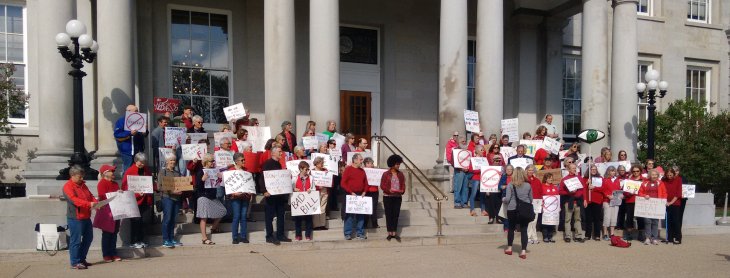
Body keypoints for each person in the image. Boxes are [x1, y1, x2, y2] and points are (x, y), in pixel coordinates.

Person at [63, 165, 97, 269]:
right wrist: (89, 204)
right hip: (75, 218)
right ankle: (75, 262)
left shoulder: (83, 185)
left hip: (86, 216)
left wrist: (95, 202)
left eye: (82, 176)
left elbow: (90, 196)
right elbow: (74, 200)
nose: (82, 179)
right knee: (76, 240)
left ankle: (82, 259)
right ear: (72, 175)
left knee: (88, 238)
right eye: (80, 177)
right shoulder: (67, 186)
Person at [121, 153, 154, 249]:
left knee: (144, 221)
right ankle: (134, 241)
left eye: (143, 162)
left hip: (145, 199)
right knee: (135, 221)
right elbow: (125, 187)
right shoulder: (130, 171)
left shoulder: (147, 170)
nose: (142, 164)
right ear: (136, 161)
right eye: (140, 162)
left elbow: (149, 184)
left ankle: (141, 240)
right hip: (135, 200)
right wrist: (137, 194)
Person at [194, 154, 226, 245]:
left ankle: (213, 228)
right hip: (203, 196)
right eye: (211, 161)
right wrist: (202, 180)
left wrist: (219, 178)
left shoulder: (214, 171)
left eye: (213, 161)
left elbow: (217, 184)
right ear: (206, 162)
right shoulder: (201, 171)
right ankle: (204, 238)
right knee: (203, 217)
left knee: (222, 210)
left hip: (212, 196)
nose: (213, 163)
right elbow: (197, 186)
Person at [262, 147, 291, 244]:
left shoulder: (278, 164)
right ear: (273, 153)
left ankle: (280, 235)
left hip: (279, 195)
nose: (281, 154)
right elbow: (262, 178)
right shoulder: (267, 163)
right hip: (270, 195)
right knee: (269, 216)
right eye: (279, 152)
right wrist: (264, 191)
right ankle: (269, 236)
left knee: (281, 215)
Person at [503, 167, 532, 260]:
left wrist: (502, 199)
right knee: (524, 230)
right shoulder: (528, 185)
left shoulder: (510, 185)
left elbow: (507, 199)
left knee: (511, 228)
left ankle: (509, 248)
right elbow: (531, 199)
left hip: (512, 209)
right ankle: (523, 251)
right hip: (524, 209)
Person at [96, 164, 122, 262]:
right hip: (107, 211)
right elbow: (102, 197)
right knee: (107, 233)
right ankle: (106, 254)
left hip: (116, 210)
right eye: (111, 171)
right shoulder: (102, 183)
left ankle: (113, 253)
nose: (113, 173)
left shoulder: (115, 184)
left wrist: (120, 193)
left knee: (114, 233)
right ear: (105, 173)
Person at [159, 154, 184, 248]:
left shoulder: (177, 172)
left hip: (176, 198)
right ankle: (166, 239)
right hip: (167, 197)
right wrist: (171, 191)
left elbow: (182, 184)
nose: (173, 162)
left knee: (173, 219)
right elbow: (159, 186)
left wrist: (183, 188)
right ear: (167, 162)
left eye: (174, 160)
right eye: (171, 160)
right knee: (168, 218)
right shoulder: (163, 172)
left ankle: (172, 238)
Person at [342, 153, 369, 240]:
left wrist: (364, 191)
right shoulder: (348, 170)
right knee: (349, 215)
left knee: (361, 215)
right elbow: (343, 183)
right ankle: (347, 233)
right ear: (355, 160)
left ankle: (360, 232)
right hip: (350, 195)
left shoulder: (362, 171)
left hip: (360, 195)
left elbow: (366, 183)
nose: (362, 161)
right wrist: (350, 192)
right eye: (360, 160)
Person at [114, 104, 148, 173]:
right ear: (128, 112)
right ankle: (126, 183)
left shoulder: (139, 119)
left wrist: (145, 131)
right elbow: (117, 134)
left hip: (138, 150)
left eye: (137, 111)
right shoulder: (121, 121)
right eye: (135, 111)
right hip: (127, 150)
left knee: (139, 169)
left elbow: (144, 134)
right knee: (128, 169)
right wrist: (129, 133)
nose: (137, 112)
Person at [228, 153, 252, 244]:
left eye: (244, 159)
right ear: (236, 161)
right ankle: (234, 237)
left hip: (245, 196)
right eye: (242, 160)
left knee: (243, 217)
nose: (244, 161)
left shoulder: (246, 170)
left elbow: (250, 183)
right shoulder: (231, 171)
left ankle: (243, 236)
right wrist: (234, 193)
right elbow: (228, 185)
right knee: (236, 216)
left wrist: (250, 192)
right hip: (235, 197)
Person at [638, 169, 667, 245]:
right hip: (647, 205)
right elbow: (640, 192)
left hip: (657, 205)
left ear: (657, 176)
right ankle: (647, 238)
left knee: (655, 222)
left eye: (655, 175)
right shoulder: (644, 183)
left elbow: (664, 193)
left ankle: (654, 238)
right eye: (652, 174)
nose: (654, 176)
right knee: (647, 221)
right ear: (649, 175)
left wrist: (663, 201)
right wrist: (644, 195)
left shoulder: (660, 183)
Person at [381, 154, 405, 241]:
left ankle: (394, 233)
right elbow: (382, 185)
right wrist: (388, 190)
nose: (398, 166)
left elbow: (403, 184)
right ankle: (389, 233)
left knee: (396, 214)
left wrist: (402, 190)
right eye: (397, 164)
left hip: (397, 197)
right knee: (389, 214)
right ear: (392, 164)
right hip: (388, 197)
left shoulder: (401, 174)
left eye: (399, 164)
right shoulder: (385, 174)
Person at [559, 163, 585, 243]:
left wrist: (577, 195)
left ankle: (578, 236)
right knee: (568, 220)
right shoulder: (564, 179)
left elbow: (582, 190)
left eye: (575, 168)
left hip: (577, 201)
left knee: (578, 219)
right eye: (573, 168)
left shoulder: (579, 178)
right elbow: (560, 191)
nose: (574, 169)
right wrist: (569, 192)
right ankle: (568, 236)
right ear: (569, 169)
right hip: (568, 201)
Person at [293, 161, 315, 241]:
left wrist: (311, 190)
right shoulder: (295, 178)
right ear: (301, 169)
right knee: (298, 219)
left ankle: (308, 235)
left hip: (308, 201)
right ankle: (298, 235)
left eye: (308, 169)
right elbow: (291, 188)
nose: (307, 171)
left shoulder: (311, 178)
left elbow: (314, 188)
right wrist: (294, 189)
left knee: (308, 218)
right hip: (298, 201)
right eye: (306, 169)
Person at [623, 165, 646, 241]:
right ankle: (629, 234)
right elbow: (625, 192)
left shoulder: (644, 180)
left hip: (640, 201)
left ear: (640, 171)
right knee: (629, 218)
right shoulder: (629, 180)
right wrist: (630, 193)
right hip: (630, 200)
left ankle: (641, 234)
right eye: (634, 171)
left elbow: (647, 190)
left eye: (637, 171)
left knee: (640, 218)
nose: (635, 172)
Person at [601, 166, 622, 241]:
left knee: (614, 217)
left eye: (613, 171)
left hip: (616, 201)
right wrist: (607, 195)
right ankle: (605, 234)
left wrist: (621, 195)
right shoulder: (605, 180)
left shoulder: (617, 180)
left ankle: (612, 233)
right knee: (607, 217)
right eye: (611, 171)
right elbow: (602, 189)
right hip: (607, 201)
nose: (612, 172)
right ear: (608, 172)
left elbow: (619, 190)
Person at [663, 167, 683, 244]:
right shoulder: (663, 180)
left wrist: (671, 202)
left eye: (671, 175)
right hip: (666, 203)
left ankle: (678, 237)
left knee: (676, 221)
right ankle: (670, 237)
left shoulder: (678, 179)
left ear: (673, 174)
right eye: (667, 175)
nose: (669, 176)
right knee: (668, 221)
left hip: (675, 203)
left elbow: (678, 193)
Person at [584, 164, 604, 241]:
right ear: (589, 170)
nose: (593, 170)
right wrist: (586, 184)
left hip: (597, 200)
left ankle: (597, 235)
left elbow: (603, 188)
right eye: (592, 169)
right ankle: (587, 235)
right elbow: (583, 190)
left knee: (597, 218)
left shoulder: (600, 178)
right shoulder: (585, 178)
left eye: (595, 169)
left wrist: (594, 188)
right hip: (588, 201)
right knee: (588, 218)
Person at [467, 145, 488, 216]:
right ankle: (472, 210)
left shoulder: (484, 159)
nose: (483, 151)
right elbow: (470, 169)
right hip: (475, 178)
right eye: (482, 150)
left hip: (483, 178)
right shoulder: (473, 159)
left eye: (483, 150)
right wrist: (479, 170)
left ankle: (483, 210)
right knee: (474, 194)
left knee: (482, 195)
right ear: (477, 151)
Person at [526, 165, 543, 244]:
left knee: (535, 220)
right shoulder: (524, 180)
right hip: (528, 202)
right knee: (529, 220)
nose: (530, 171)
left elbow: (541, 191)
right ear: (526, 170)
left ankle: (534, 237)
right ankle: (529, 237)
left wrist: (542, 201)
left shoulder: (537, 180)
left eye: (532, 170)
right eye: (529, 170)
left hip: (537, 202)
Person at [312, 157, 330, 230]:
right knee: (316, 207)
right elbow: (311, 182)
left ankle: (322, 224)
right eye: (320, 163)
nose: (322, 164)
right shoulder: (312, 171)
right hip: (316, 191)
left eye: (322, 162)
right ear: (316, 163)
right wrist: (317, 187)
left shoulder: (325, 170)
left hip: (324, 191)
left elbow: (329, 180)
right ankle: (316, 225)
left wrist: (327, 174)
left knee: (323, 207)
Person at [485, 156, 504, 224]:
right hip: (491, 188)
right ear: (493, 161)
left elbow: (504, 178)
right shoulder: (488, 168)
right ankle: (491, 217)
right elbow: (485, 178)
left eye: (499, 161)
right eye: (496, 160)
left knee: (499, 204)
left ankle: (498, 218)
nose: (497, 162)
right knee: (491, 203)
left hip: (499, 189)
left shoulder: (502, 168)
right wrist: (487, 190)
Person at [541, 173, 559, 243]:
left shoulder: (554, 187)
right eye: (549, 178)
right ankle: (545, 236)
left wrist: (558, 207)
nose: (550, 179)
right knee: (545, 222)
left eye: (551, 178)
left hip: (553, 208)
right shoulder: (542, 186)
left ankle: (550, 236)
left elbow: (557, 196)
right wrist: (542, 205)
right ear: (545, 179)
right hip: (546, 208)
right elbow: (541, 195)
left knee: (552, 222)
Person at [363, 157, 380, 228]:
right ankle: (365, 223)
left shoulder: (375, 171)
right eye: (371, 163)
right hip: (366, 191)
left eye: (372, 163)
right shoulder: (362, 171)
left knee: (374, 208)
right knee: (366, 208)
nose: (372, 165)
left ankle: (374, 223)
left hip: (375, 191)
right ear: (366, 164)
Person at [498, 165, 515, 231]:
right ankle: (506, 227)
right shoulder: (503, 176)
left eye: (510, 169)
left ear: (512, 170)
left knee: (513, 212)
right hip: (505, 195)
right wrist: (502, 186)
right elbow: (499, 186)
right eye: (507, 169)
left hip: (513, 196)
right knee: (506, 212)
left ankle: (513, 227)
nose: (508, 170)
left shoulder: (515, 177)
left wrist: (507, 186)